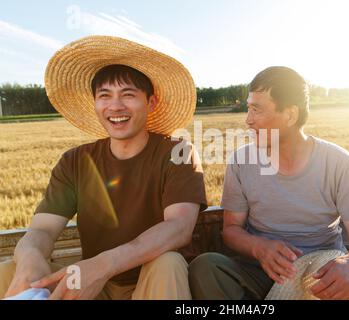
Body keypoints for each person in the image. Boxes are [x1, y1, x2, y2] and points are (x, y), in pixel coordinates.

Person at [0, 36, 207, 300]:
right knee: (9, 271)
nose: (115, 106)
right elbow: (42, 230)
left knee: (167, 262)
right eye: (105, 95)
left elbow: (178, 227)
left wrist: (102, 265)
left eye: (128, 95)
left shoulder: (178, 153)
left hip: (148, 284)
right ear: (95, 104)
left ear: (151, 103)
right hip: (91, 286)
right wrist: (30, 259)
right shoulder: (75, 161)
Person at [189, 66, 349, 300]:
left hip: (322, 275)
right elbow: (231, 230)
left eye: (256, 110)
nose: (248, 120)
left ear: (290, 115)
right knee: (206, 267)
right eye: (248, 108)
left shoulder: (338, 162)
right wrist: (259, 248)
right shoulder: (241, 162)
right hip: (260, 272)